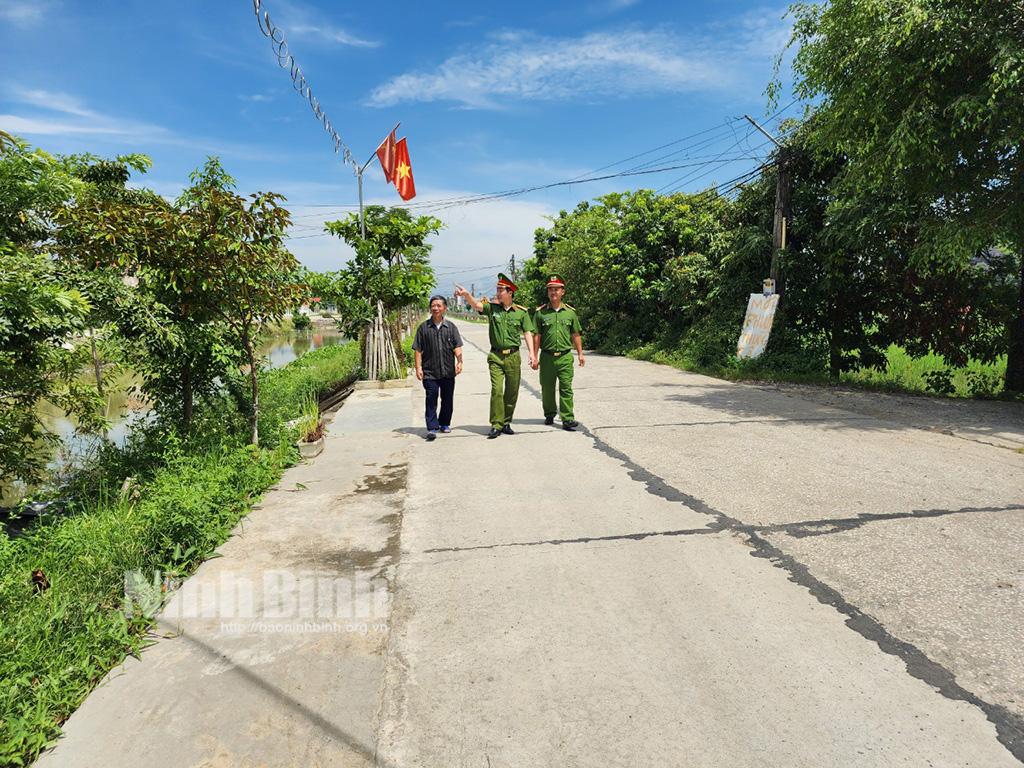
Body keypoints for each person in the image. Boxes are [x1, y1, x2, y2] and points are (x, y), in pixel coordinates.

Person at [454, 274, 535, 439]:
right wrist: (466, 295)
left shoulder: (521, 313)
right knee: (497, 390)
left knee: (512, 392)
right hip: (496, 356)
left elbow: (527, 332)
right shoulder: (493, 309)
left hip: (513, 356)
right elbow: (477, 305)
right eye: (497, 289)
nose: (498, 292)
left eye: (501, 290)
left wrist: (533, 354)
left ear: (510, 292)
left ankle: (506, 422)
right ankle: (496, 424)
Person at [531, 273, 585, 430]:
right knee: (547, 388)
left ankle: (567, 418)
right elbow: (537, 336)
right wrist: (534, 356)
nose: (553, 292)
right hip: (547, 357)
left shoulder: (570, 312)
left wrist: (580, 353)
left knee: (566, 387)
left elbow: (576, 334)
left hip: (565, 356)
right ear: (548, 293)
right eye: (550, 290)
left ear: (563, 292)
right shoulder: (541, 313)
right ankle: (549, 413)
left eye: (556, 289)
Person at [412, 295, 463, 441]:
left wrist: (459, 362)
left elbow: (457, 346)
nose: (436, 308)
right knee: (431, 398)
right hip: (430, 371)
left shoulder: (451, 327)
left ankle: (445, 423)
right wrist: (418, 367)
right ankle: (432, 427)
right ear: (430, 308)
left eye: (439, 306)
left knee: (447, 399)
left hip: (448, 371)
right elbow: (417, 349)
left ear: (444, 308)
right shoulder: (423, 328)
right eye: (433, 306)